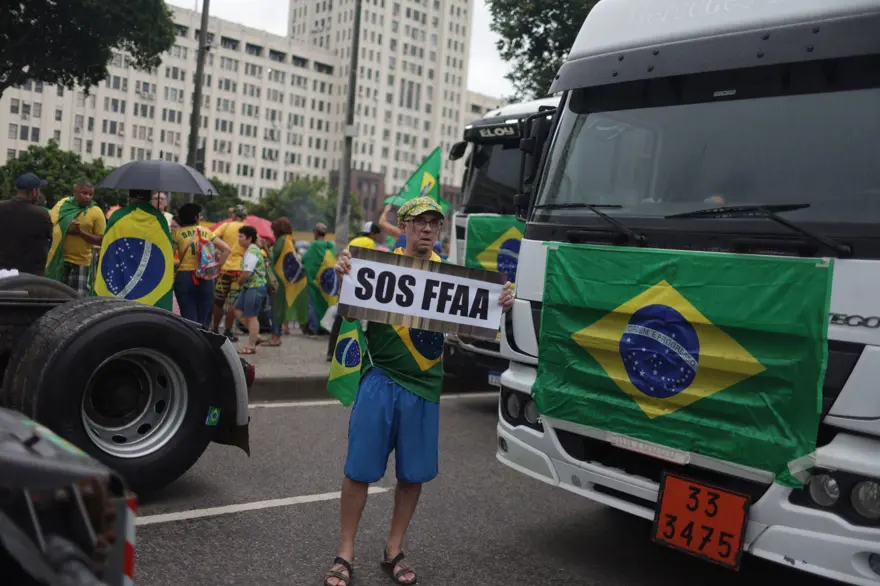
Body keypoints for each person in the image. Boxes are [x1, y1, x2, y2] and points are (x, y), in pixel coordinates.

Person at [323, 197, 515, 586]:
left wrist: (499, 305)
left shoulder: (452, 277)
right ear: (404, 225)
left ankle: (393, 550)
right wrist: (345, 276)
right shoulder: (377, 266)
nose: (427, 229)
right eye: (419, 222)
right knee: (358, 470)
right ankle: (345, 551)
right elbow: (350, 315)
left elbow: (463, 332)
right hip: (379, 379)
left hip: (425, 387)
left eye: (434, 223)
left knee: (412, 476)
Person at [93, 190, 176, 310]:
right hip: (149, 288)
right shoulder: (159, 219)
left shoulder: (118, 216)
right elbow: (167, 251)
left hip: (119, 281)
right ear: (149, 198)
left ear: (130, 197)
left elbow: (108, 247)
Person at [325, 221, 385, 361]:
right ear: (372, 233)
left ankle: (331, 351)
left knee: (340, 318)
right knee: (359, 322)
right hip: (361, 286)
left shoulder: (355, 240)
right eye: (376, 234)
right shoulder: (369, 243)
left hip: (346, 281)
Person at [173, 203, 230, 326]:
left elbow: (170, 255)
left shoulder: (176, 234)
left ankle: (191, 341)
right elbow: (226, 249)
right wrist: (217, 268)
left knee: (188, 316)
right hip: (206, 275)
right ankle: (203, 341)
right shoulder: (206, 232)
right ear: (196, 218)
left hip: (184, 277)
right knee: (204, 316)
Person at [45, 181, 106, 296]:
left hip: (81, 263)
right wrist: (66, 227)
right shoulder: (63, 205)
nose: (87, 197)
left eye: (90, 194)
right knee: (55, 298)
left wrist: (80, 232)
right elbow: (51, 224)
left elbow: (101, 240)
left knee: (77, 299)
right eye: (84, 193)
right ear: (75, 192)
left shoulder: (96, 212)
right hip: (59, 261)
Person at [0, 173, 53, 276]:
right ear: (34, 191)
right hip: (30, 277)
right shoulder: (41, 215)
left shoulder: (1, 208)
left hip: (2, 275)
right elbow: (49, 241)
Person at [212, 205, 248, 341]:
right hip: (239, 270)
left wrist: (220, 250)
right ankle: (228, 331)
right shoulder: (247, 228)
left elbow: (212, 237)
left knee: (218, 301)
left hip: (224, 269)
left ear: (234, 215)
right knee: (233, 301)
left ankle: (215, 329)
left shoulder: (226, 226)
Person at [235, 225, 269, 355]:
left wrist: (239, 281)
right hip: (249, 287)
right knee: (238, 311)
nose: (239, 239)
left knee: (251, 316)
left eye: (241, 236)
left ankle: (251, 346)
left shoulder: (252, 251)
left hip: (254, 287)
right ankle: (256, 337)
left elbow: (247, 273)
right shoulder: (251, 249)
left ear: (249, 238)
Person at [266, 217, 298, 347]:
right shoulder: (287, 240)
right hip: (283, 279)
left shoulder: (282, 241)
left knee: (277, 309)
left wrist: (266, 248)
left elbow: (276, 257)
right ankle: (276, 334)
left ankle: (276, 336)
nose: (272, 232)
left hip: (278, 280)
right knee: (278, 309)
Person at [301, 222, 335, 336]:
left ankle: (313, 327)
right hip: (326, 283)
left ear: (315, 233)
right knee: (325, 304)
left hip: (314, 281)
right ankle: (324, 327)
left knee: (313, 304)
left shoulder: (314, 246)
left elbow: (305, 260)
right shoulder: (330, 247)